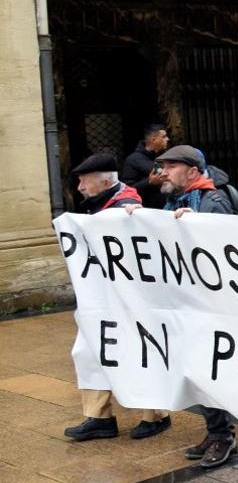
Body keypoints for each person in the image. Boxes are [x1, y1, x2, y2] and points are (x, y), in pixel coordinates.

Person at [64, 154, 173, 442]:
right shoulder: (101, 205)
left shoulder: (126, 206)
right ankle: (99, 417)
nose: (79, 187)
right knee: (87, 351)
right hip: (101, 300)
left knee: (137, 351)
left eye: (84, 181)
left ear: (104, 180)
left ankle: (155, 414)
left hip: (129, 301)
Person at [158, 145, 238, 468]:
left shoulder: (211, 201)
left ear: (192, 172)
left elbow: (229, 247)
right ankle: (215, 429)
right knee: (195, 371)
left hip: (211, 306)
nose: (162, 172)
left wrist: (198, 227)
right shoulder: (176, 202)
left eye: (170, 166)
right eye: (161, 166)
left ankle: (223, 437)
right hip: (188, 302)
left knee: (208, 371)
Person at [121, 123, 170, 210]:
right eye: (164, 137)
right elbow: (127, 189)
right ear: (154, 139)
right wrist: (149, 182)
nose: (167, 139)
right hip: (143, 209)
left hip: (163, 207)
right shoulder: (133, 159)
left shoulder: (163, 157)